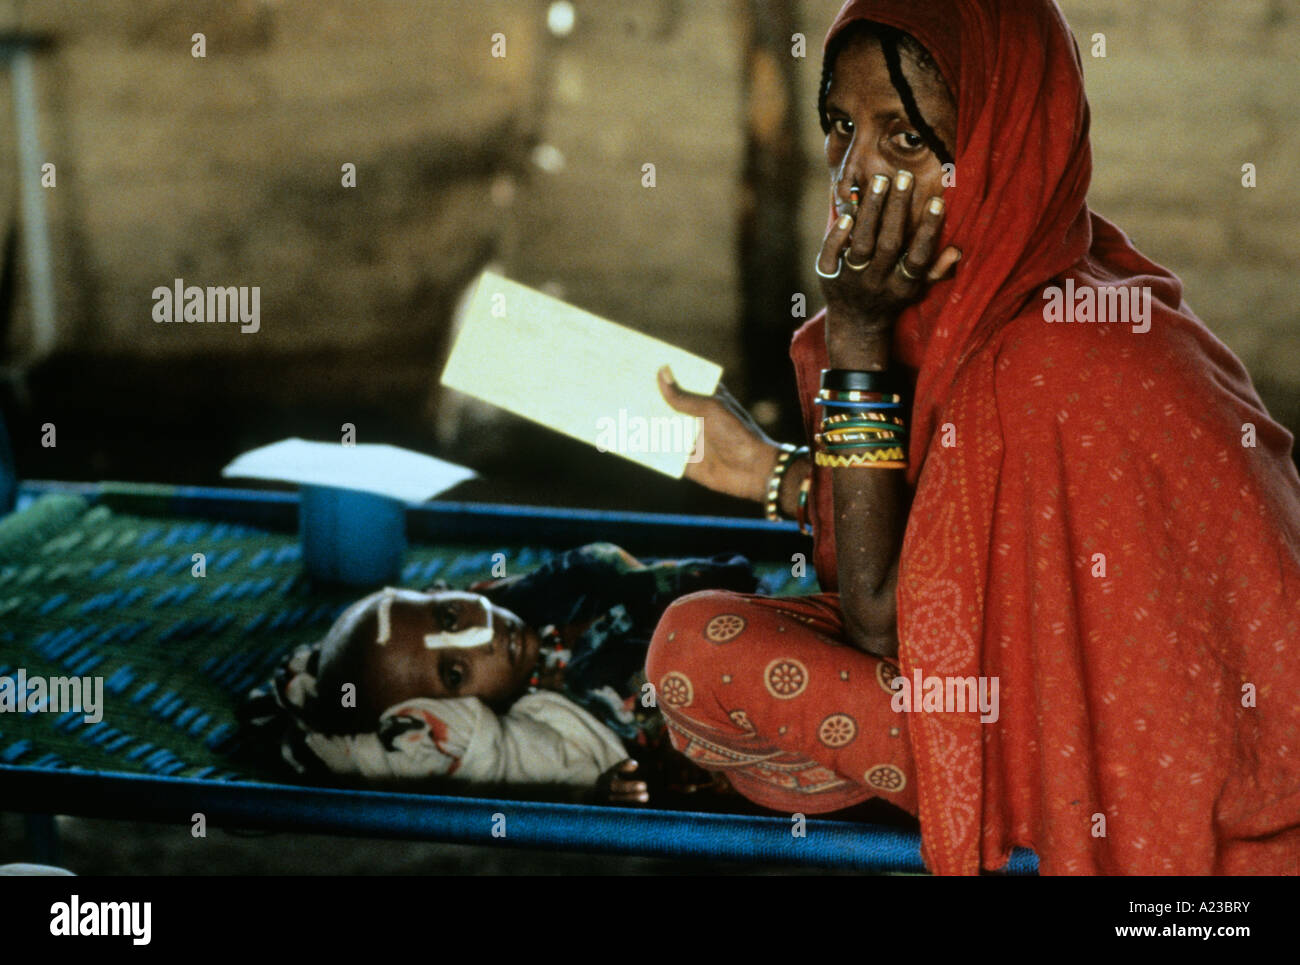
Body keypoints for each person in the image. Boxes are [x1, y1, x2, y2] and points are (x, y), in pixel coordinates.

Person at [649, 0, 1300, 875]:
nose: (854, 174)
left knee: (698, 653)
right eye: (841, 127)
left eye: (906, 140)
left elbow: (887, 626)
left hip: (1155, 764)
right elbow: (942, 551)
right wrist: (777, 476)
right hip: (1028, 690)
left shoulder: (1055, 353)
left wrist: (856, 337)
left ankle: (988, 805)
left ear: (1003, 142)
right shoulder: (1025, 282)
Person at [239, 543, 758, 804]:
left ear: (445, 591)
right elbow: (452, 747)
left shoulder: (538, 596)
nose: (480, 636)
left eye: (447, 617)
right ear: (445, 708)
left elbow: (616, 570)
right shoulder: (543, 727)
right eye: (456, 672)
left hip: (740, 619)